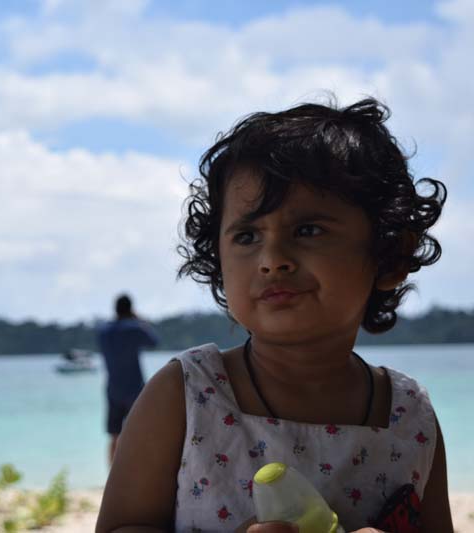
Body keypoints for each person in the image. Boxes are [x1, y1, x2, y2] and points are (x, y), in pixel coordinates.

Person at [96, 98, 453, 532]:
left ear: (391, 256)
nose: (272, 259)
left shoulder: (409, 417)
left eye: (308, 230)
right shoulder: (187, 396)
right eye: (247, 236)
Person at [98, 294, 160, 465]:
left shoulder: (104, 331)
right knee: (141, 433)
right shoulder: (135, 329)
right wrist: (140, 321)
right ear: (130, 308)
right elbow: (154, 342)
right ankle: (140, 473)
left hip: (113, 389)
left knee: (114, 436)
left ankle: (111, 478)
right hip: (134, 389)